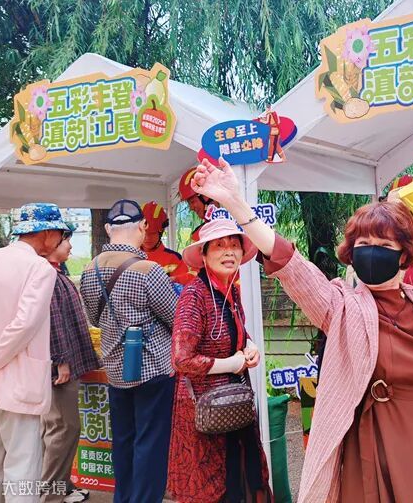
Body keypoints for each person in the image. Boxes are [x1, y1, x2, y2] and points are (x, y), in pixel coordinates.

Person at [191, 157, 413, 503]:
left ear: (404, 256)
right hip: (375, 445)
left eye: (384, 246)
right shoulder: (340, 305)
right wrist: (235, 202)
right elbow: (288, 262)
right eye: (363, 244)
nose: (371, 253)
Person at [0, 203, 68, 502]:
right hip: (17, 382)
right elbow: (24, 326)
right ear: (47, 233)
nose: (60, 240)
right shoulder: (39, 269)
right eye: (60, 234)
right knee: (22, 466)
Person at [79, 199, 178, 503]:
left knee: (122, 441)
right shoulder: (149, 270)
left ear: (109, 228)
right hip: (153, 369)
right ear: (143, 226)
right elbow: (176, 317)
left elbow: (94, 319)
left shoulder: (89, 270)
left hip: (115, 370)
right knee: (151, 444)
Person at [167, 219, 272, 503]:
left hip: (233, 403)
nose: (229, 252)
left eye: (234, 245)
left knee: (242, 472)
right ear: (203, 255)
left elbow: (237, 331)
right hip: (204, 408)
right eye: (219, 245)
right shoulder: (194, 296)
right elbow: (181, 359)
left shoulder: (230, 290)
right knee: (213, 483)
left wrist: (249, 346)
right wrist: (231, 364)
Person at [42, 223, 100, 503]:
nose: (70, 245)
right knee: (64, 427)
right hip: (58, 367)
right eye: (66, 240)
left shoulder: (55, 272)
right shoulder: (47, 275)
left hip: (60, 363)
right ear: (52, 242)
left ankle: (62, 487)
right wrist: (61, 361)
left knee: (59, 427)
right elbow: (52, 321)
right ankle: (50, 495)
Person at [141, 201, 193, 287]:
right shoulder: (130, 256)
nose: (147, 238)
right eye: (145, 234)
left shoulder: (174, 259)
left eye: (152, 234)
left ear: (161, 232)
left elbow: (183, 289)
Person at [179, 167, 214, 241]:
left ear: (206, 195)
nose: (191, 208)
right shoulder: (198, 235)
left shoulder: (233, 223)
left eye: (192, 202)